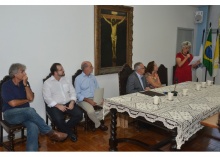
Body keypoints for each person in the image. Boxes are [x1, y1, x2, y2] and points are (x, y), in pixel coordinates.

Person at [1, 63, 68, 151]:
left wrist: (25, 84)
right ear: (15, 74)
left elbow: (31, 98)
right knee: (30, 110)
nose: (25, 73)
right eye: (22, 71)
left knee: (34, 127)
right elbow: (13, 103)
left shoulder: (25, 83)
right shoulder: (6, 86)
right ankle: (49, 132)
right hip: (10, 115)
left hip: (25, 115)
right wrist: (26, 100)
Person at [42, 63, 83, 142]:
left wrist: (72, 102)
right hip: (54, 105)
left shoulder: (66, 79)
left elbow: (73, 92)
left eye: (62, 68)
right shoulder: (47, 83)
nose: (63, 70)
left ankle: (63, 130)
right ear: (55, 72)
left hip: (68, 103)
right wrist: (58, 106)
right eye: (61, 70)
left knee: (79, 114)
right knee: (59, 119)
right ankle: (70, 133)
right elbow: (47, 98)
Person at [74, 61, 108, 131]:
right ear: (85, 68)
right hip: (83, 100)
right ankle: (98, 124)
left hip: (94, 97)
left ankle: (94, 121)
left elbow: (97, 88)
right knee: (90, 111)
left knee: (108, 106)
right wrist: (88, 100)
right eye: (91, 66)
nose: (93, 68)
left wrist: (101, 98)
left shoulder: (93, 77)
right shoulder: (78, 79)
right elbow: (77, 94)